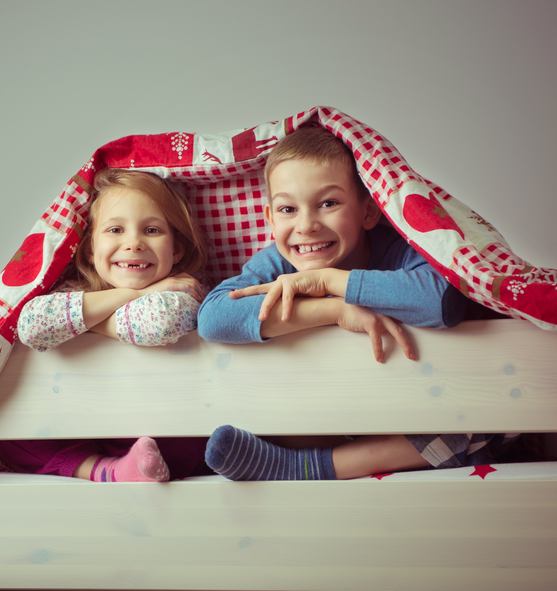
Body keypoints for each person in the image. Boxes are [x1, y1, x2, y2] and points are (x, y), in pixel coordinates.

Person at [197, 125, 515, 481]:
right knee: (274, 401)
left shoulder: (401, 247)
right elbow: (213, 316)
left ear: (368, 211)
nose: (306, 225)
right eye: (288, 209)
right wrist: (333, 310)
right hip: (335, 417)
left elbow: (443, 300)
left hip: (427, 416)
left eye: (328, 203)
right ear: (270, 218)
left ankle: (305, 469)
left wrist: (328, 281)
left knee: (477, 417)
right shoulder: (277, 262)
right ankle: (303, 456)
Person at [0, 168, 211, 483]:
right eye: (115, 230)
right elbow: (31, 325)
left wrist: (81, 324)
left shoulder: (183, 290)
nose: (133, 243)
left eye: (152, 230)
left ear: (177, 249)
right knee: (9, 429)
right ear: (89, 248)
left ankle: (127, 467)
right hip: (89, 427)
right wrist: (136, 292)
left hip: (164, 430)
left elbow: (158, 322)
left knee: (193, 439)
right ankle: (109, 471)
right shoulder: (74, 291)